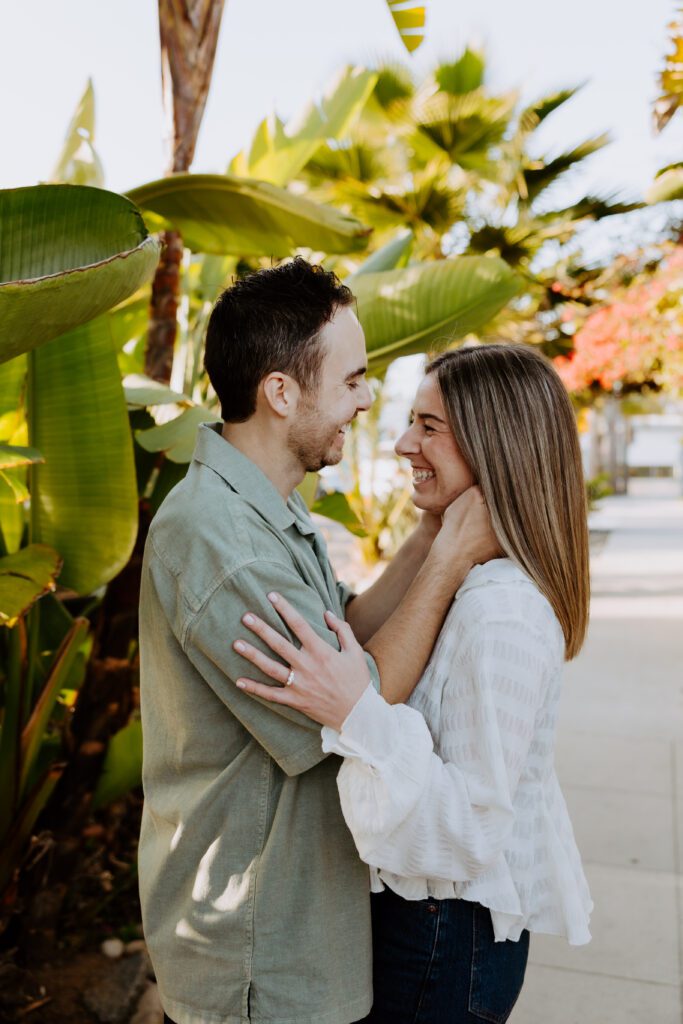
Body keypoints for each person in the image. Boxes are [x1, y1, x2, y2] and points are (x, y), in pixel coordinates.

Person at [137, 258, 499, 1024]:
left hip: (298, 936)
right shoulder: (218, 539)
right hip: (259, 955)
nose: (367, 403)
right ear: (280, 392)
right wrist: (447, 562)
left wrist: (430, 529)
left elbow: (348, 633)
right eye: (352, 381)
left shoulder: (269, 509)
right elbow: (352, 703)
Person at [234, 343, 594, 1024]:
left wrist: (355, 713)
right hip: (427, 924)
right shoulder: (468, 582)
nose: (402, 444)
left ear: (497, 445)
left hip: (441, 934)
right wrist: (436, 541)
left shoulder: (501, 611)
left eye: (429, 427)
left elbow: (469, 824)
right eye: (409, 422)